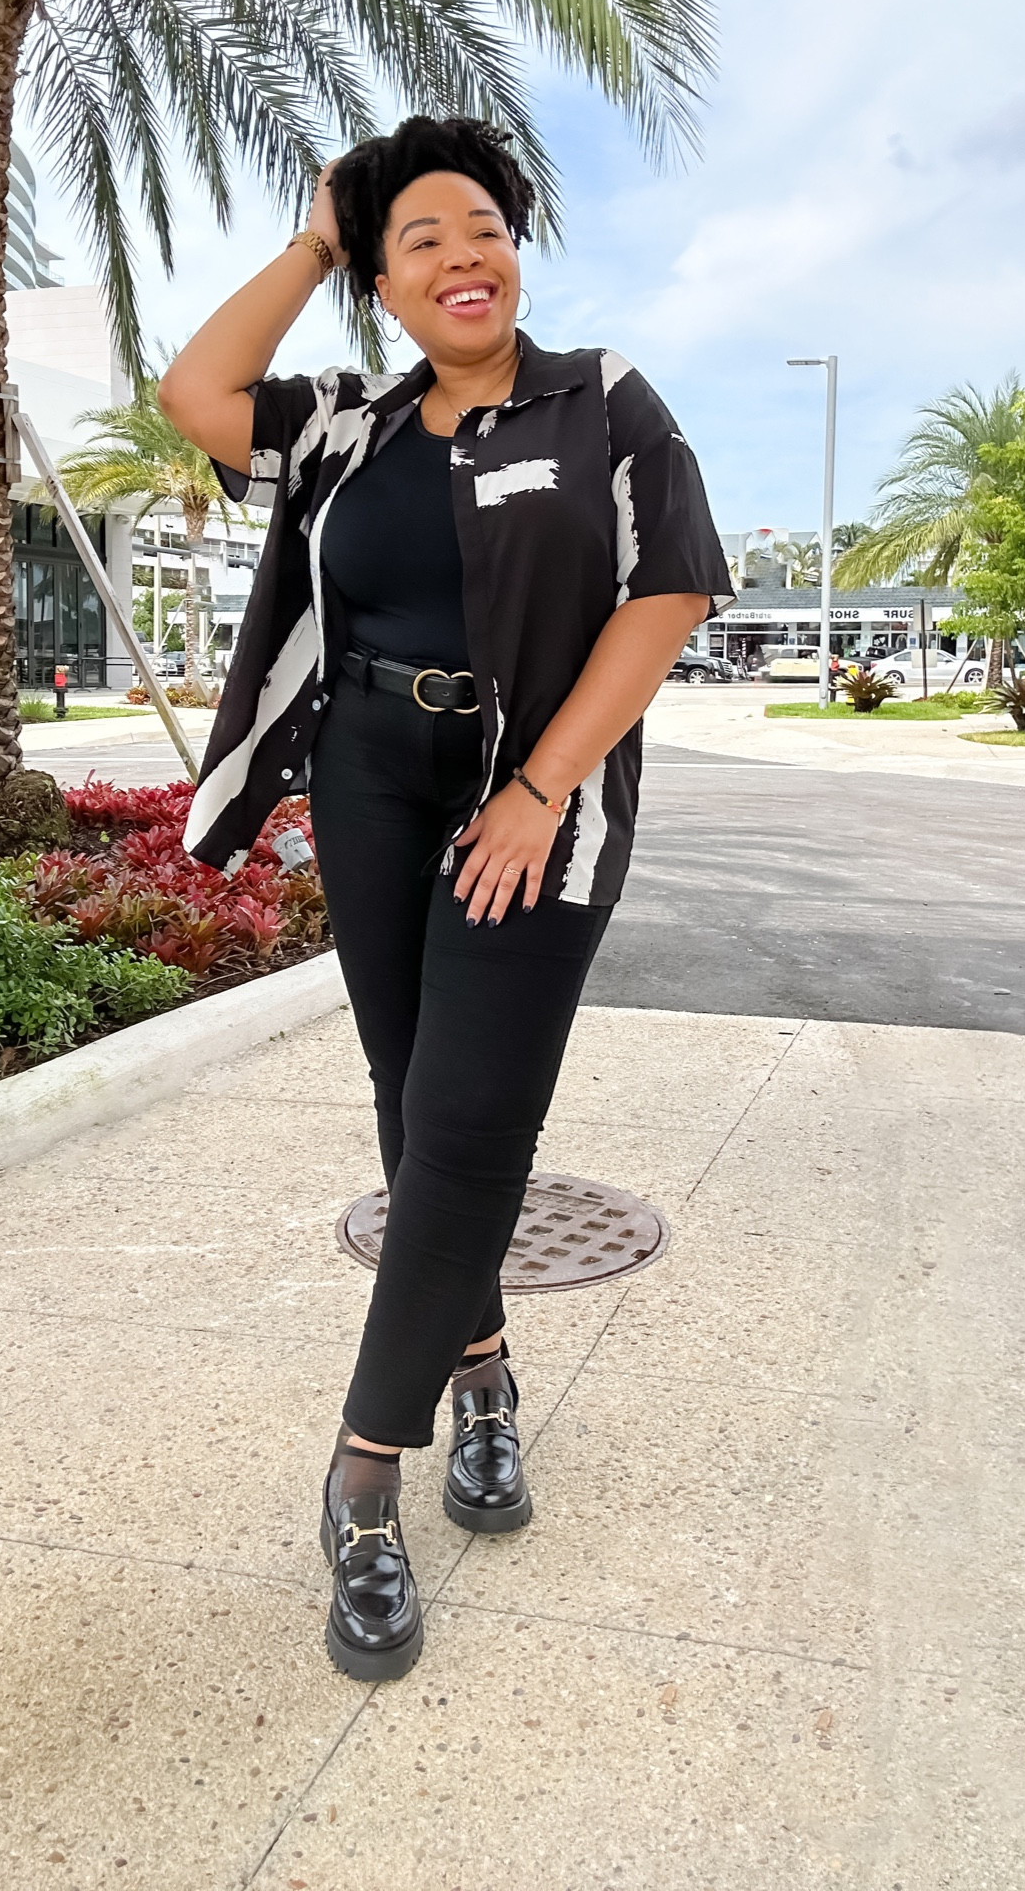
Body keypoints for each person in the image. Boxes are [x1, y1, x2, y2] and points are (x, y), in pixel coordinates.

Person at [160, 116, 732, 1682]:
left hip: (526, 801)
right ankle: (481, 1372)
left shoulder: (600, 399)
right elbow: (194, 396)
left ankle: (361, 1475)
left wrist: (540, 790)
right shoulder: (347, 424)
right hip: (366, 780)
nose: (461, 254)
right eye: (419, 240)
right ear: (385, 288)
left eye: (481, 226)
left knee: (475, 1129)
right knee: (413, 1112)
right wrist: (315, 237)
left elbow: (669, 588)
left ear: (517, 251)